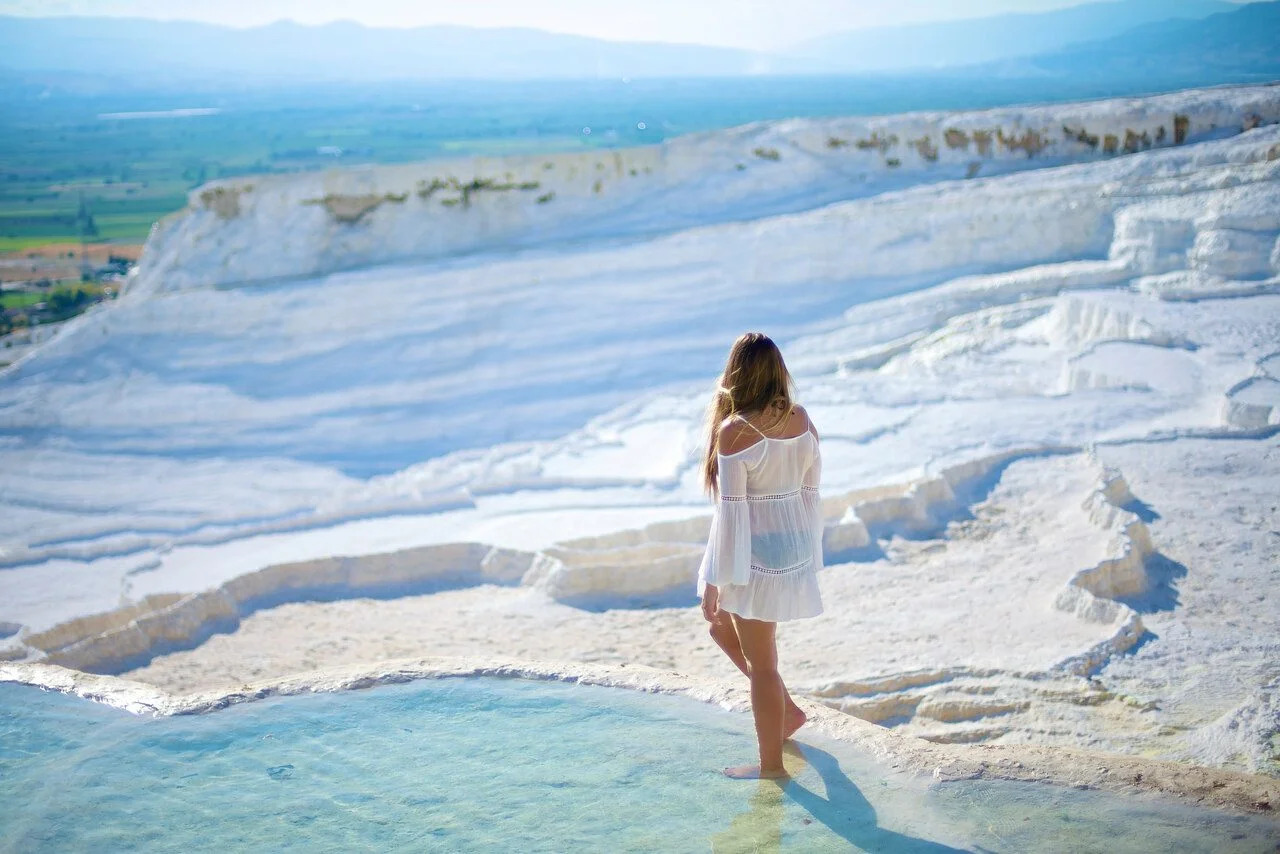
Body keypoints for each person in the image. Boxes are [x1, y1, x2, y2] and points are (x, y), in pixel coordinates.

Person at [697, 331, 824, 779]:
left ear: (736, 374)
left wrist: (714, 578)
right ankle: (785, 711)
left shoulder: (735, 432)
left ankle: (772, 766)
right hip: (791, 546)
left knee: (763, 662)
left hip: (757, 554)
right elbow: (810, 490)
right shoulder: (803, 419)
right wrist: (806, 552)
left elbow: (731, 515)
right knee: (719, 626)